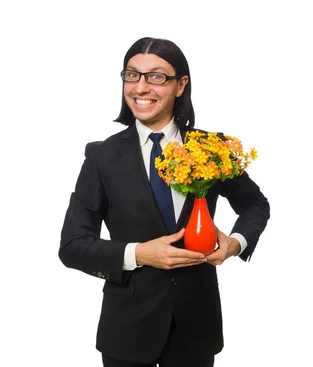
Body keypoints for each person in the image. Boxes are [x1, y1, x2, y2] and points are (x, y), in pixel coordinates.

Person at [59, 37, 270, 367]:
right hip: (127, 329)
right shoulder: (102, 156)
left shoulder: (211, 147)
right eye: (132, 75)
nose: (141, 87)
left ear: (180, 85)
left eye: (156, 76)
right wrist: (139, 254)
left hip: (196, 325)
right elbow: (72, 245)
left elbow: (256, 204)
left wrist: (236, 243)